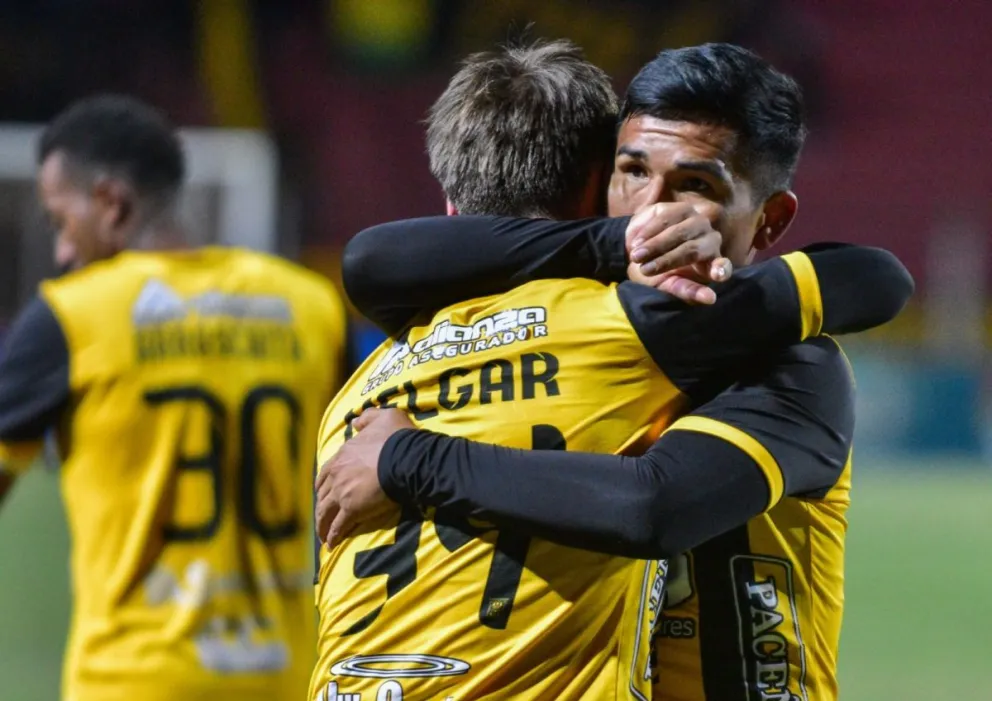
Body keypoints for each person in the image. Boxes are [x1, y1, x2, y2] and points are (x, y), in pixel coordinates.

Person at [309, 40, 912, 701]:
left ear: (770, 220)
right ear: (597, 191)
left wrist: (412, 459)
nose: (654, 212)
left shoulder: (786, 361)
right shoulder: (611, 329)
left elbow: (655, 503)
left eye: (694, 186)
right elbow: (374, 261)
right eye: (632, 174)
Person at [0, 95, 348, 701]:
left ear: (111, 203)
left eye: (60, 220)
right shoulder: (311, 306)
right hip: (286, 678)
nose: (59, 250)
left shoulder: (71, 318)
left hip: (134, 680)